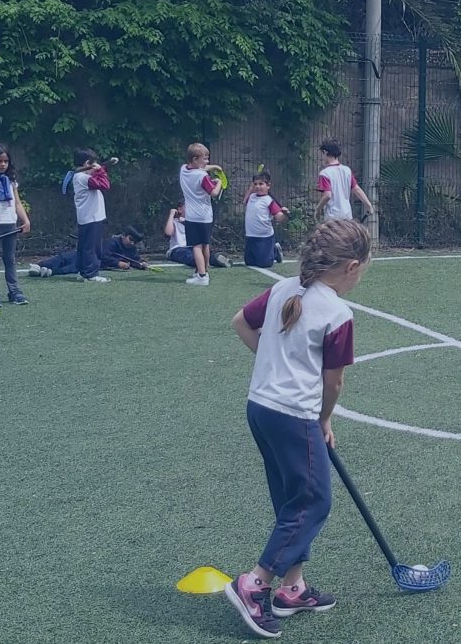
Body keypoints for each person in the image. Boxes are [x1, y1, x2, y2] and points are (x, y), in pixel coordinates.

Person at [225, 219, 371, 640]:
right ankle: (254, 584)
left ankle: (292, 588)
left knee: (292, 500)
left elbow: (240, 322)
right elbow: (334, 382)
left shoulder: (284, 288)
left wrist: (273, 363)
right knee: (313, 502)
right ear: (351, 266)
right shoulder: (338, 313)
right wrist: (324, 418)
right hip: (294, 416)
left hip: (261, 409)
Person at [0, 143, 31, 307]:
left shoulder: (11, 181)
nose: (3, 164)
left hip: (10, 224)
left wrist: (25, 220)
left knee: (10, 259)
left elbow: (17, 203)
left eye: (6, 161)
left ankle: (15, 291)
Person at [178, 143, 224, 285]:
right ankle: (204, 274)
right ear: (195, 159)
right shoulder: (202, 176)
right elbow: (214, 193)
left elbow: (199, 167)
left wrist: (214, 167)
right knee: (203, 245)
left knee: (197, 245)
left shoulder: (183, 170)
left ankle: (202, 274)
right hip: (205, 216)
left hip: (193, 216)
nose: (207, 162)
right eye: (205, 159)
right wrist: (219, 182)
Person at [65, 148, 112, 283]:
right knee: (92, 247)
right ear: (87, 163)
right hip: (91, 217)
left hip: (88, 216)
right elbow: (105, 185)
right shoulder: (82, 177)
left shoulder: (82, 177)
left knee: (85, 246)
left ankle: (83, 271)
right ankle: (91, 273)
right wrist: (101, 171)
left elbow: (97, 181)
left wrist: (97, 171)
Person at [28, 227, 147, 277]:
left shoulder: (131, 249)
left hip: (87, 262)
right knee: (62, 258)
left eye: (134, 242)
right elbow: (103, 256)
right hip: (85, 255)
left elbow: (134, 259)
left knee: (70, 268)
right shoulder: (112, 242)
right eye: (130, 239)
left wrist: (141, 264)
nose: (132, 243)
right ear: (124, 235)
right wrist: (118, 263)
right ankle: (38, 266)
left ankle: (49, 272)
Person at [315, 140, 374, 222]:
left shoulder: (325, 173)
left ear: (325, 152)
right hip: (347, 216)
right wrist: (369, 205)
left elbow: (327, 195)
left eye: (322, 154)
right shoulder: (347, 170)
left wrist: (317, 209)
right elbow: (357, 190)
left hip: (333, 218)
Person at [163, 202, 231, 269]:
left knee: (206, 254)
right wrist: (171, 215)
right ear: (180, 209)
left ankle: (219, 260)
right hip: (178, 249)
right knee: (187, 255)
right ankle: (199, 262)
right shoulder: (174, 221)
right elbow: (168, 232)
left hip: (194, 248)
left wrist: (185, 222)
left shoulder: (193, 222)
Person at [244, 171, 289, 268]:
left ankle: (275, 250)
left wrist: (285, 213)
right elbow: (245, 202)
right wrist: (250, 189)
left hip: (264, 237)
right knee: (249, 262)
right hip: (250, 236)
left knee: (265, 264)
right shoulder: (252, 196)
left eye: (261, 184)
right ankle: (270, 251)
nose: (258, 186)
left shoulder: (269, 201)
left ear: (268, 186)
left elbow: (279, 218)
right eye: (255, 184)